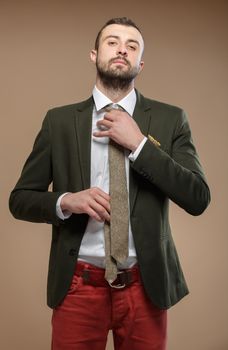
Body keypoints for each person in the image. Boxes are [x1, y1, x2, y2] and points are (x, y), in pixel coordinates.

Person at [9, 17, 210, 350]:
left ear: (140, 63)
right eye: (112, 42)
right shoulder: (58, 121)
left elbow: (198, 197)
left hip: (145, 288)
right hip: (78, 286)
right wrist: (65, 201)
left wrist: (140, 145)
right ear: (94, 54)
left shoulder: (170, 119)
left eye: (132, 46)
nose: (122, 49)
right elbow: (19, 200)